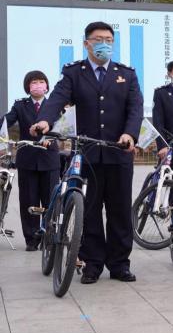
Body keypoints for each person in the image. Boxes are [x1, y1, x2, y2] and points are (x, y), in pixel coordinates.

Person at [33, 21, 143, 284]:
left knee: (119, 211)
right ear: (86, 44)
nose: (103, 44)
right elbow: (58, 98)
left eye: (108, 39)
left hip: (119, 153)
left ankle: (119, 264)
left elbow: (135, 108)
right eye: (97, 39)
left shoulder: (126, 74)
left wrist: (130, 134)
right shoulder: (74, 73)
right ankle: (92, 263)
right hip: (87, 154)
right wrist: (45, 121)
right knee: (90, 210)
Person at [4, 71, 60, 251]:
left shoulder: (54, 105)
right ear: (28, 86)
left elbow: (62, 125)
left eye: (41, 81)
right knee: (29, 200)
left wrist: (53, 137)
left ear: (47, 86)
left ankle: (50, 236)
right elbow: (6, 122)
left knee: (50, 200)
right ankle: (32, 238)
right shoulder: (20, 105)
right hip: (27, 159)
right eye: (34, 82)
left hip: (49, 159)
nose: (37, 85)